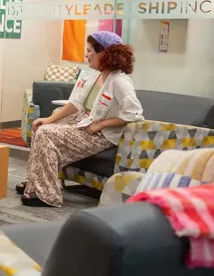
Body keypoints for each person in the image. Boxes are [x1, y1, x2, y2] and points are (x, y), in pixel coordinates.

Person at [17, 31, 144, 207]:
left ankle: (45, 194)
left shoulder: (119, 82)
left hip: (102, 134)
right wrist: (49, 119)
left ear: (105, 53)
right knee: (42, 126)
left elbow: (134, 114)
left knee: (47, 133)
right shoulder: (94, 76)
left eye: (90, 50)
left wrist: (101, 124)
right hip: (85, 121)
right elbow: (75, 104)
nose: (86, 55)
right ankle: (34, 181)